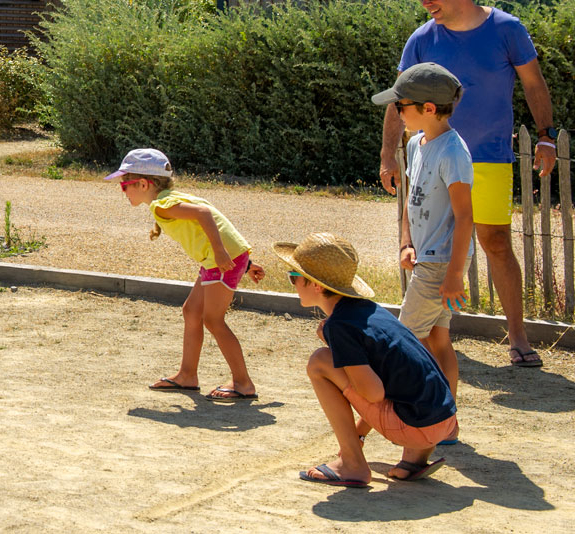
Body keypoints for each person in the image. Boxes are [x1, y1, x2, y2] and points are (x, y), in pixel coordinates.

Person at [379, 0, 555, 369]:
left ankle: (518, 335)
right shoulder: (420, 38)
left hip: (489, 157)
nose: (425, 2)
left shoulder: (507, 29)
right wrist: (389, 152)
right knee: (427, 246)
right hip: (432, 156)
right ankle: (437, 336)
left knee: (495, 243)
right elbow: (398, 96)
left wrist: (546, 136)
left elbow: (533, 83)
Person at [278, 233, 457, 488]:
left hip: (417, 427)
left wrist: (336, 347)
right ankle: (414, 460)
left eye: (294, 277)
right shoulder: (369, 311)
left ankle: (352, 465)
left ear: (315, 285)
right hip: (443, 420)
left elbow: (373, 393)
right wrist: (360, 433)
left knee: (319, 362)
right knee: (398, 378)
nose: (292, 283)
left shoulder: (339, 326)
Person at [106, 148, 265, 401]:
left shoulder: (162, 205)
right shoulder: (172, 197)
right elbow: (210, 221)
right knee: (192, 311)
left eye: (124, 185)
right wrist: (243, 262)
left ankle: (243, 383)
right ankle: (187, 375)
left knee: (213, 320)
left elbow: (204, 215)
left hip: (219, 260)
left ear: (144, 184)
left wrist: (224, 254)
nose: (122, 191)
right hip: (220, 258)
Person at [372, 62, 471, 442]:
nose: (397, 113)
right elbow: (411, 203)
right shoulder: (416, 144)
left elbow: (465, 218)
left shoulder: (454, 152)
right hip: (426, 257)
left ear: (429, 108)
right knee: (437, 340)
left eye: (402, 106)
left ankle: (366, 431)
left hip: (440, 265)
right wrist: (406, 241)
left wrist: (454, 275)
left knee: (399, 345)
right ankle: (447, 425)